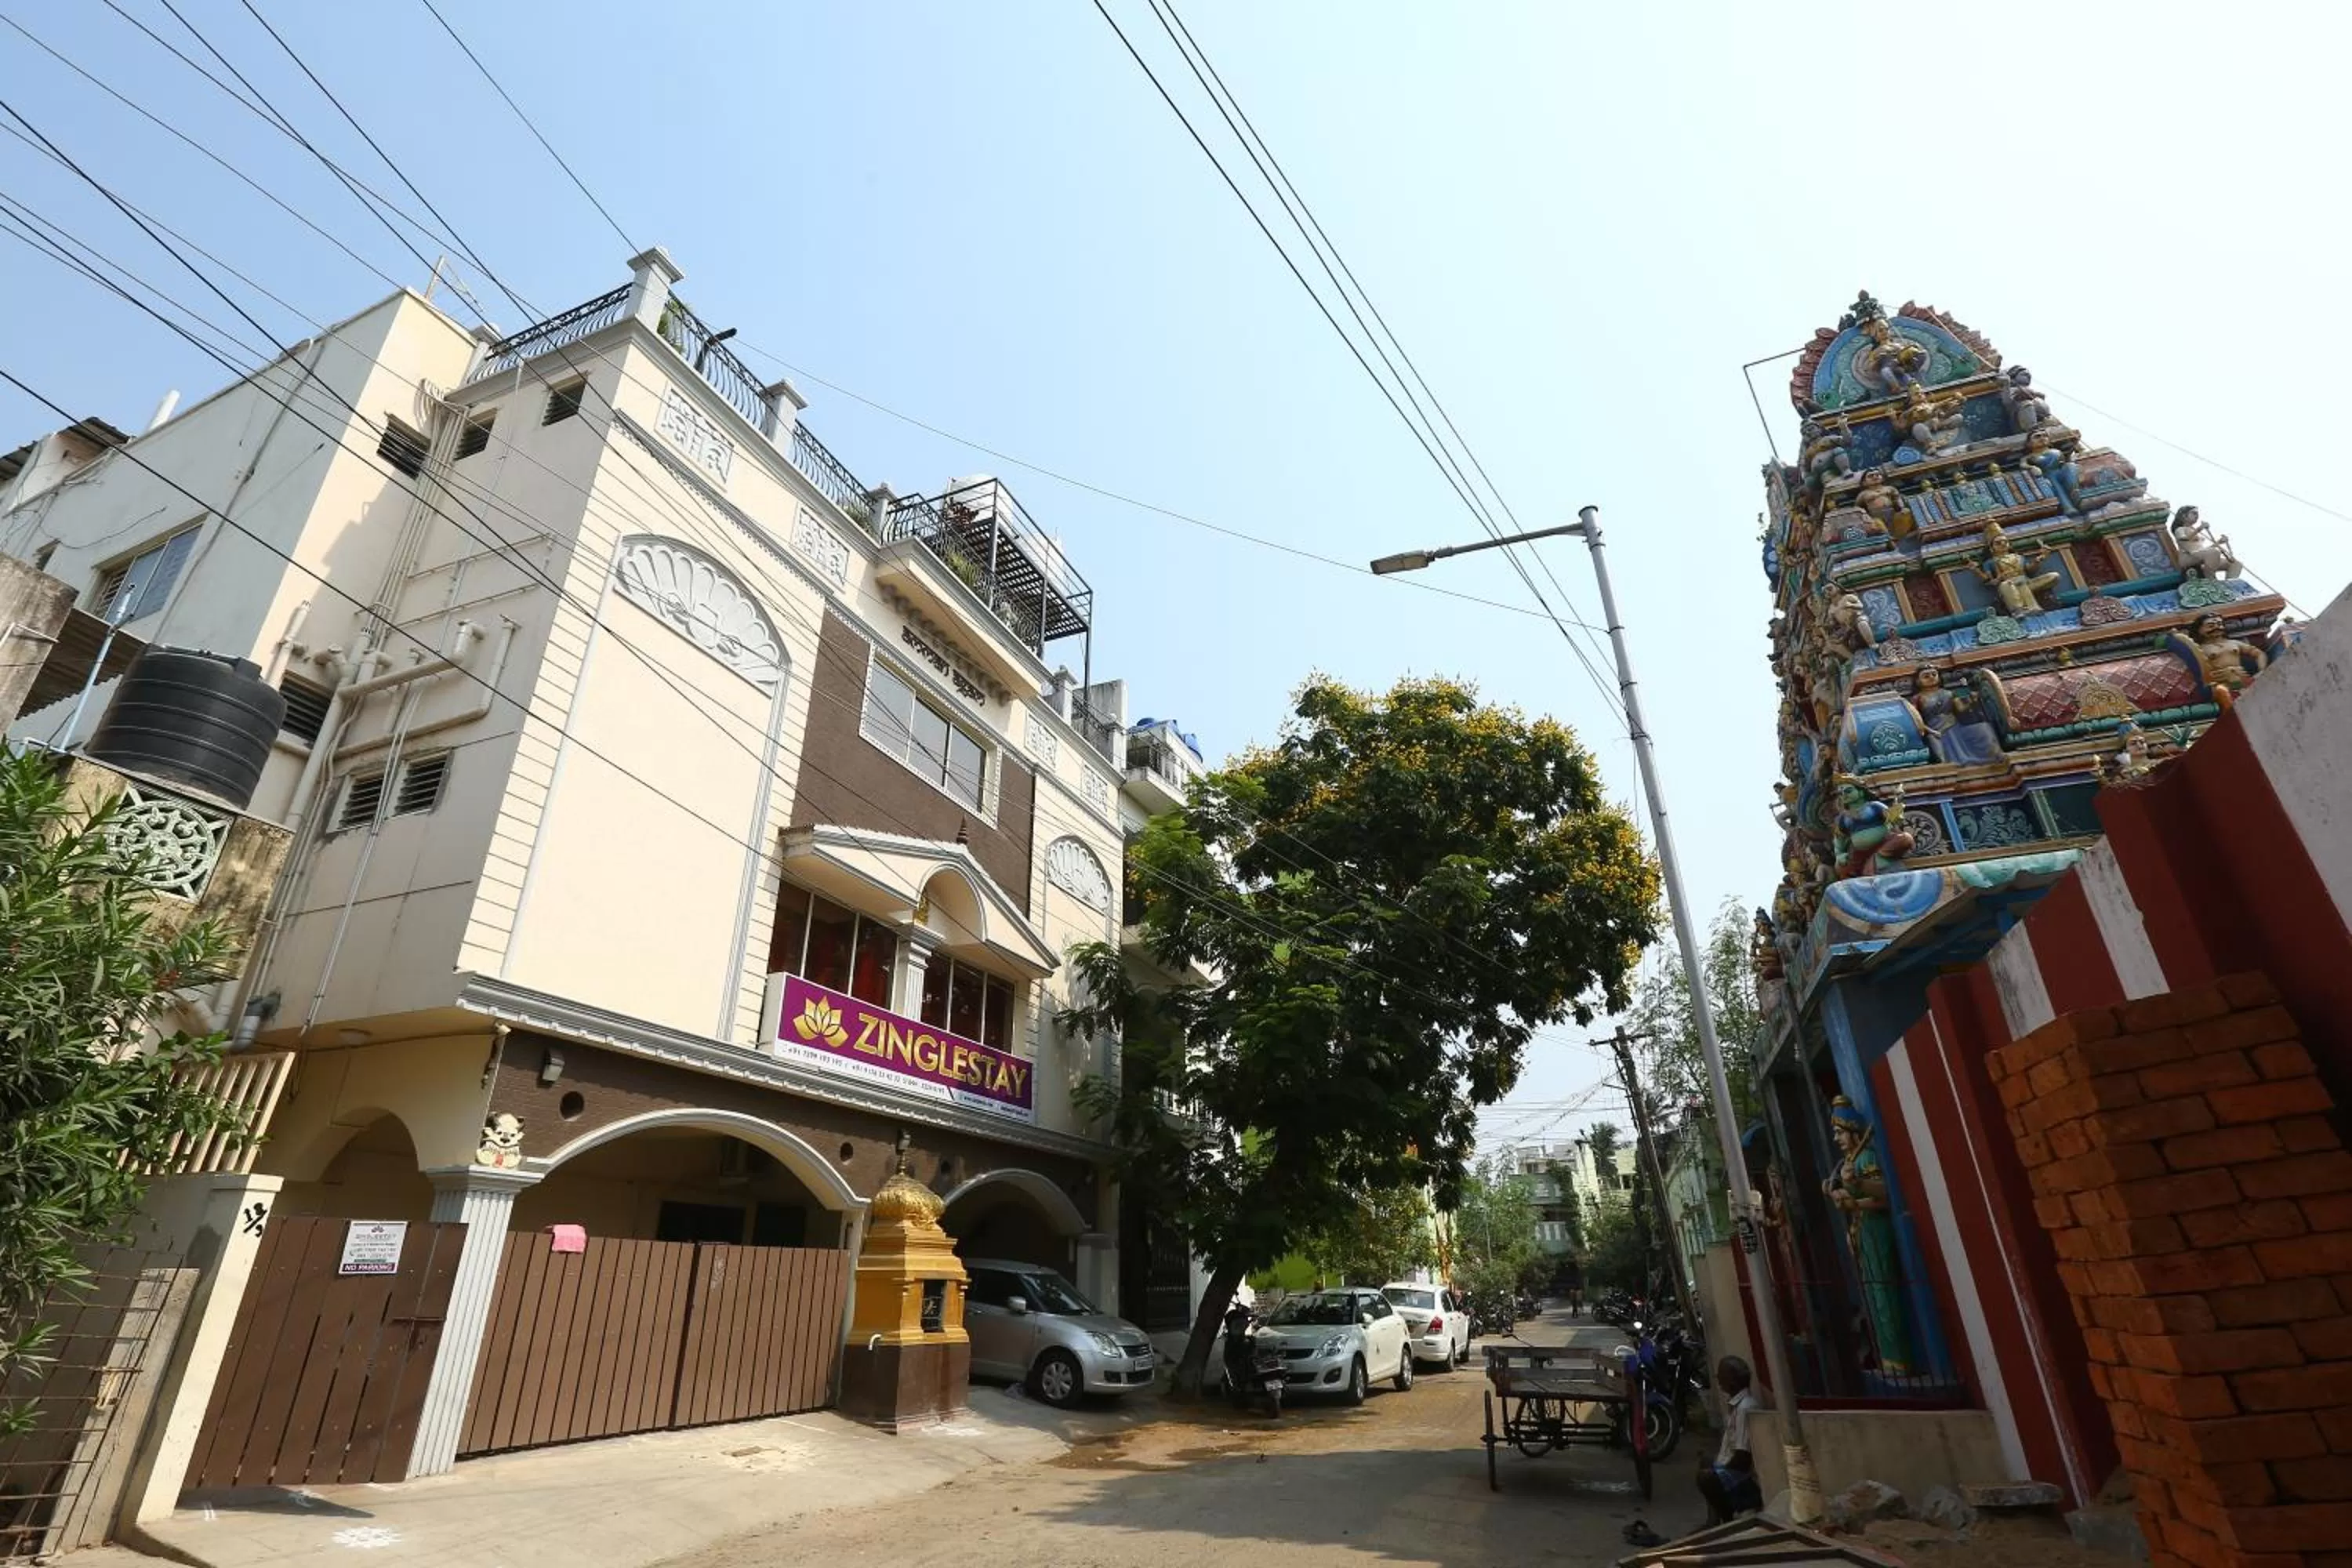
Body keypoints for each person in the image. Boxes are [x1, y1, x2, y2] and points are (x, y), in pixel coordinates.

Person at [1697, 1356, 1764, 1524]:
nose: (1718, 1380)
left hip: (1742, 1475)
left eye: (1722, 1376)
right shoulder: (1737, 1405)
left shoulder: (1745, 1408)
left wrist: (1719, 1470)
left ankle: (1728, 1519)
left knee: (1706, 1477)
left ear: (1732, 1381)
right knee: (1705, 1462)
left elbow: (1742, 1457)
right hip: (1732, 1466)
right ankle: (1713, 1520)